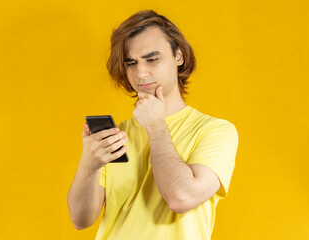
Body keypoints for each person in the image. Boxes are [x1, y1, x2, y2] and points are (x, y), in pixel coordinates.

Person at [67, 10, 239, 240]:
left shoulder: (215, 131)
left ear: (179, 56)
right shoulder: (117, 136)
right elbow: (81, 220)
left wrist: (156, 126)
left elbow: (182, 197)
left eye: (152, 59)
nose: (141, 72)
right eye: (131, 63)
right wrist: (89, 165)